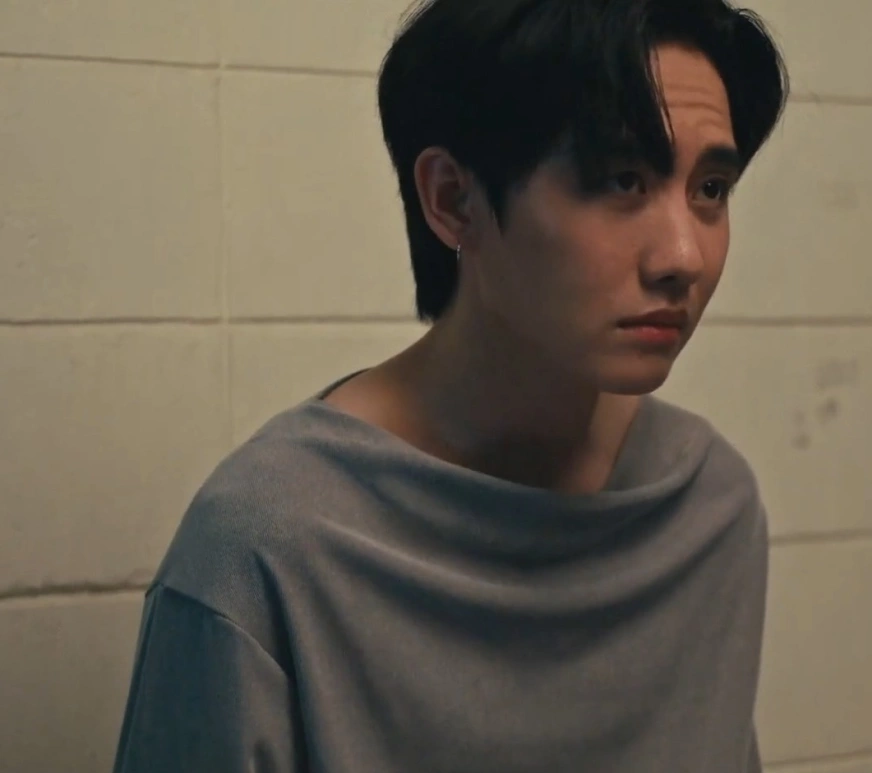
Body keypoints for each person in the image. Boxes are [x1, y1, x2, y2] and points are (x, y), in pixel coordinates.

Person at [111, 0, 789, 770]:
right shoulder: (267, 547)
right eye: (622, 180)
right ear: (453, 199)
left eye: (711, 189)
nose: (684, 256)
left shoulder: (709, 506)